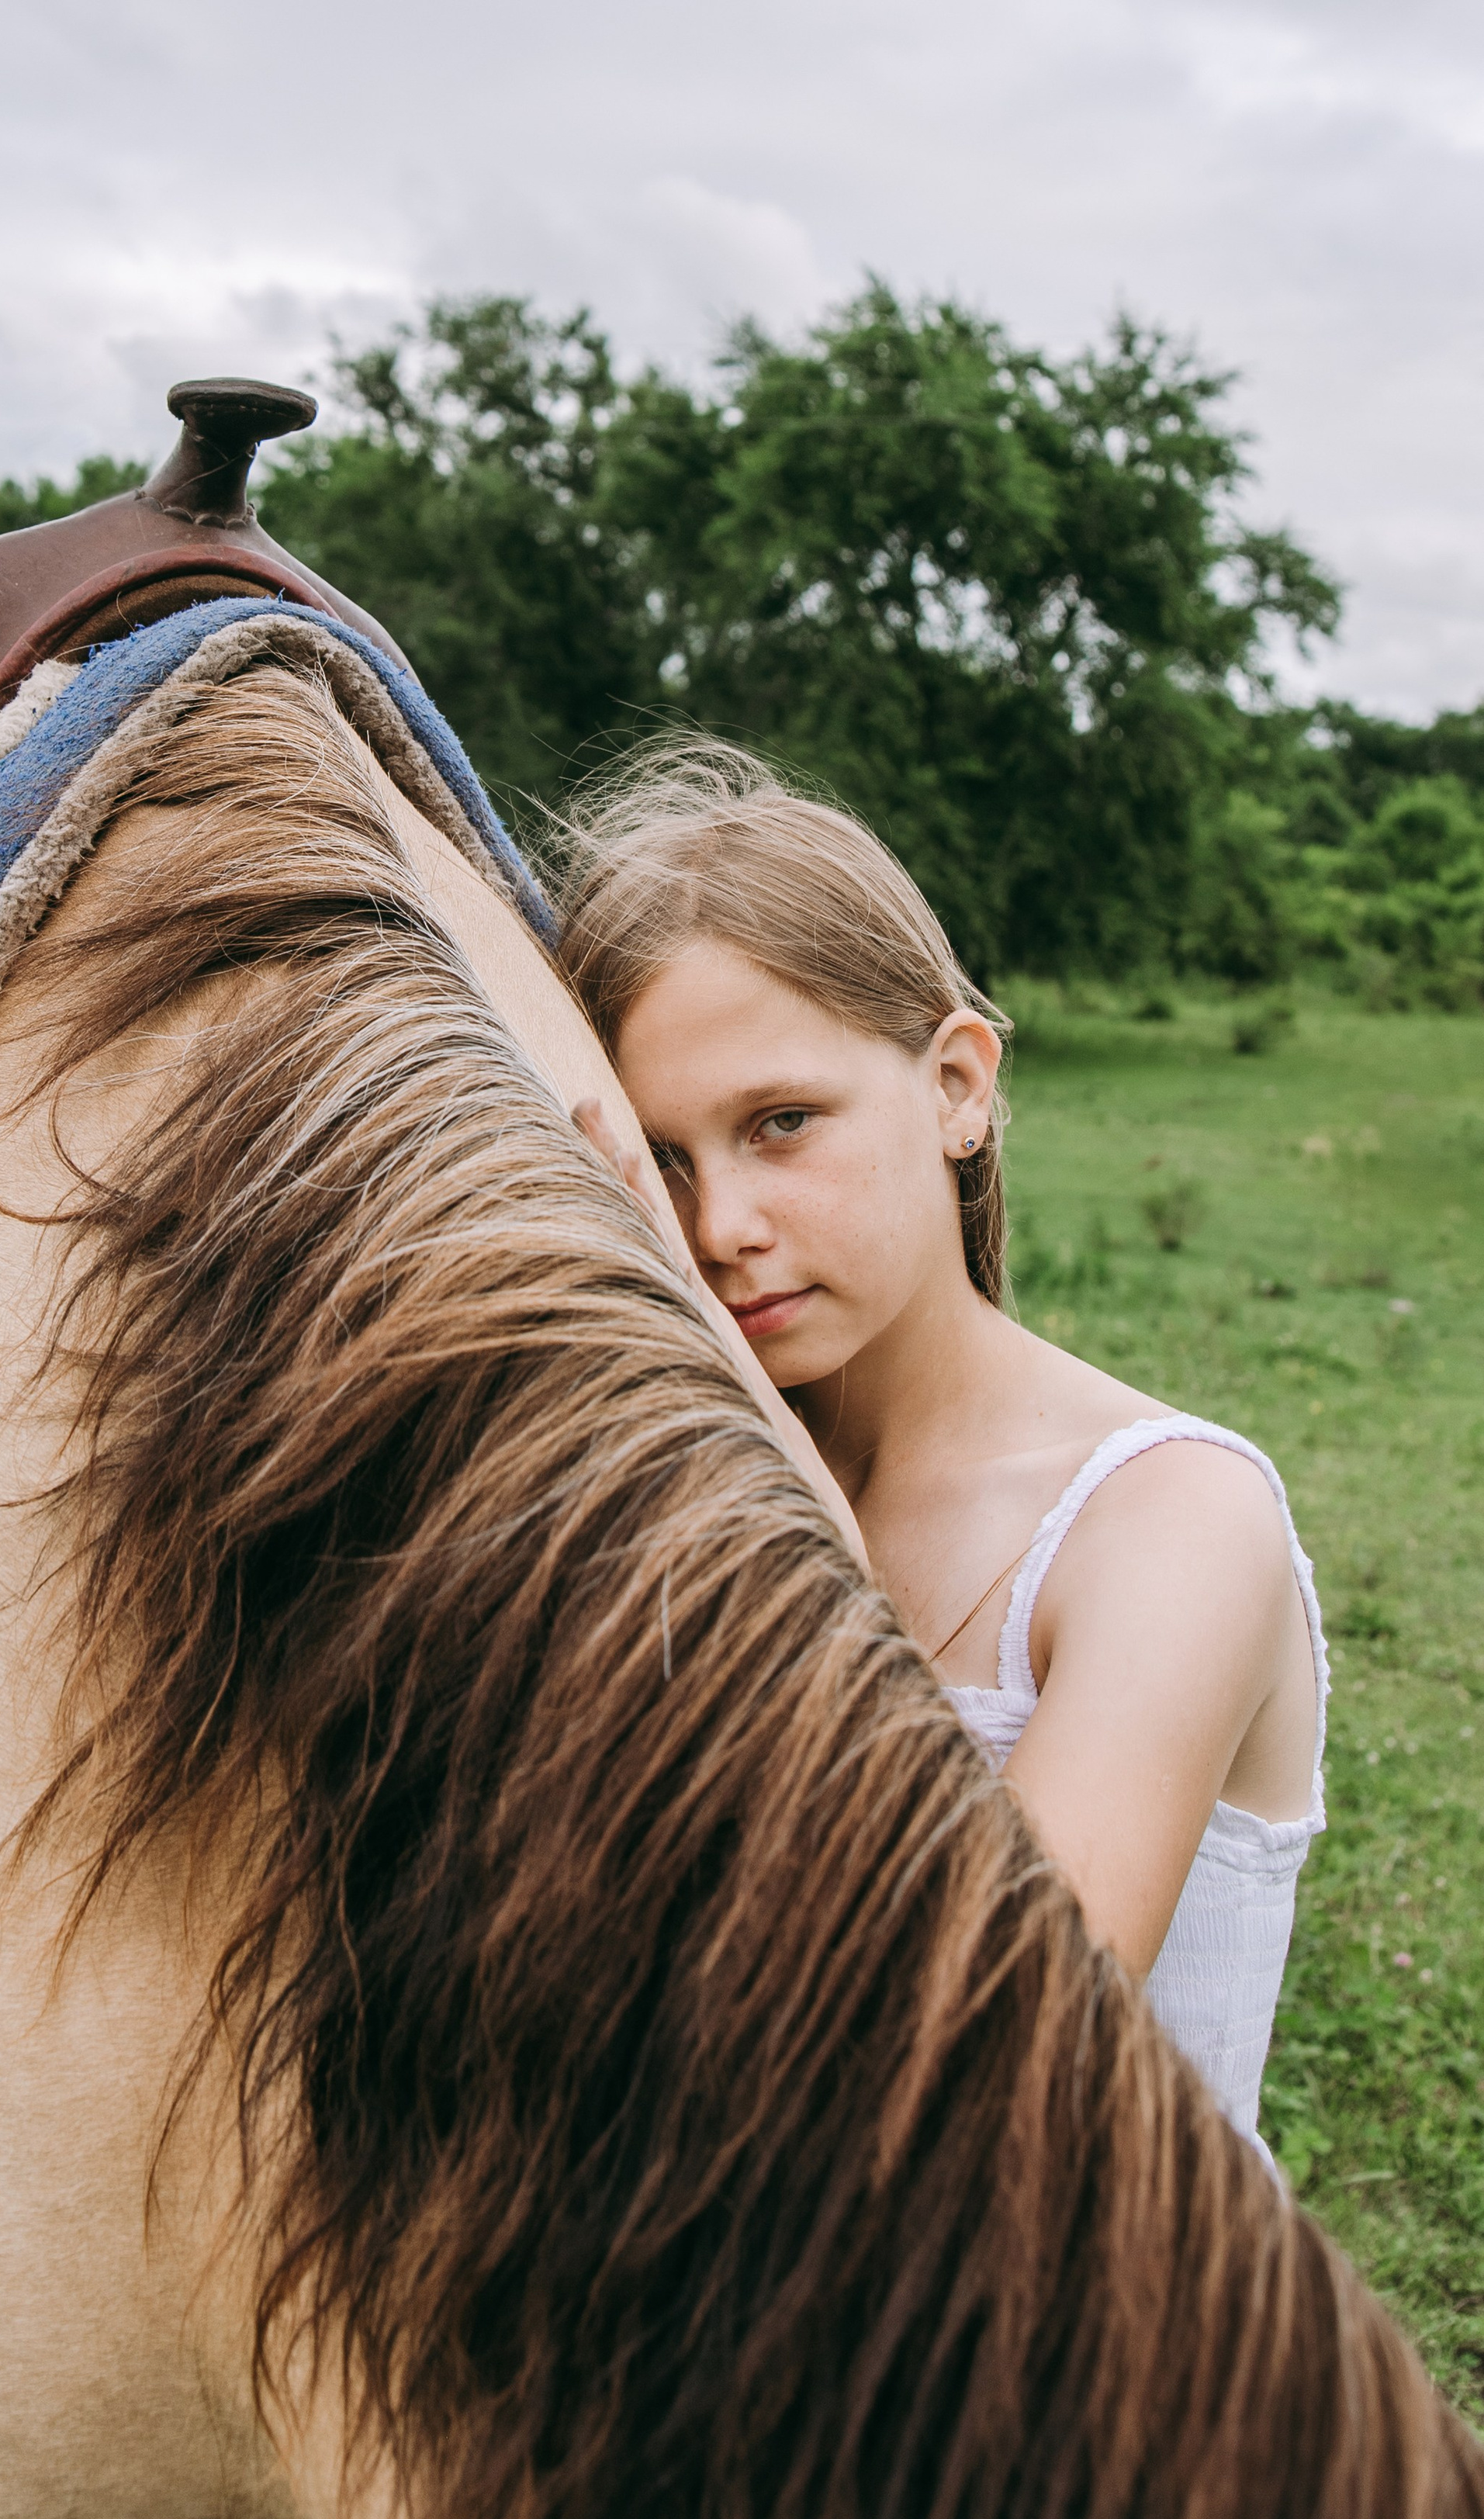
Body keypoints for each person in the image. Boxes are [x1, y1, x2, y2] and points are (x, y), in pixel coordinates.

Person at [555, 742, 1325, 2156]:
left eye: (780, 1124)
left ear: (959, 1086)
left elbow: (974, 2071)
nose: (720, 1223)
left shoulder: (1170, 1524)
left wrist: (800, 1543)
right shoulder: (650, 1488)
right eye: (660, 1160)